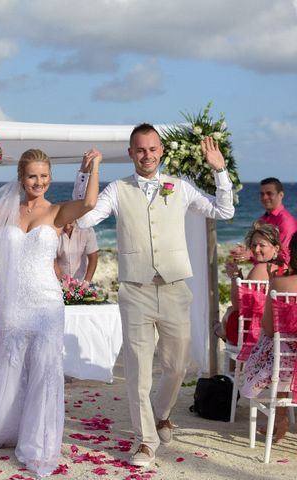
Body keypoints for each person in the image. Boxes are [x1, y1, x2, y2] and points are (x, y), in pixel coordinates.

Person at [72, 124, 234, 467]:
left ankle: (161, 413)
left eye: (152, 149)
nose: (147, 155)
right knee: (138, 372)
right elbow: (84, 221)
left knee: (176, 367)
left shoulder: (181, 187)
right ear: (131, 153)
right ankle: (146, 441)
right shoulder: (117, 189)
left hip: (176, 290)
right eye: (140, 150)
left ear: (161, 151)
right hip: (135, 292)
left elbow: (224, 211)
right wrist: (84, 177)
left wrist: (219, 170)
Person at [0, 148, 101, 477]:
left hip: (46, 304)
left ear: (50, 178)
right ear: (21, 178)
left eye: (43, 176)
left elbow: (90, 204)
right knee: (6, 367)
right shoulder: (7, 211)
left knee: (44, 372)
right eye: (32, 176)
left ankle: (38, 443)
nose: (38, 181)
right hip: (13, 305)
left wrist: (94, 167)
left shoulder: (57, 212)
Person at [240, 233, 297, 443]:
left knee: (280, 351)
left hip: (285, 363)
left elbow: (268, 328)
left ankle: (279, 418)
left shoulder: (280, 285)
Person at [214, 222, 284, 343]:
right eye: (254, 245)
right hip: (280, 328)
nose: (256, 250)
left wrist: (235, 279)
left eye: (262, 245)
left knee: (230, 312)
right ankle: (221, 331)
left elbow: (240, 307)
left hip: (257, 331)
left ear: (276, 248)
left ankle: (220, 331)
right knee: (229, 312)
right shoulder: (285, 268)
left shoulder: (260, 269)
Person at [231, 177, 297, 265]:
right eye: (262, 194)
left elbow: (285, 256)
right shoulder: (262, 219)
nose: (265, 197)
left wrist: (250, 254)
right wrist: (244, 250)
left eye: (269, 193)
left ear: (281, 195)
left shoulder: (286, 221)